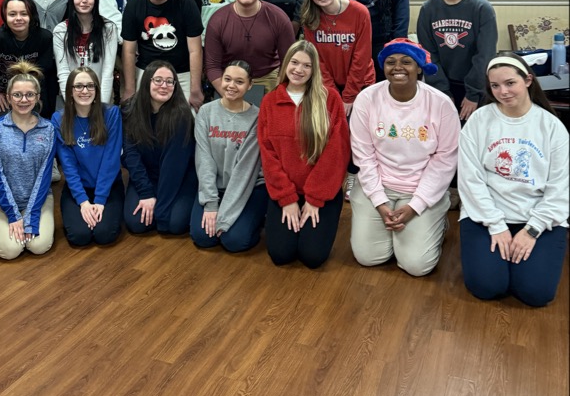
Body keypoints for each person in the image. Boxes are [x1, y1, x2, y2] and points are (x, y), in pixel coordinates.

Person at [458, 52, 569, 307]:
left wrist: (531, 230)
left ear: (528, 80)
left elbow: (560, 189)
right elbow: (470, 179)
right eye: (495, 86)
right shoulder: (479, 120)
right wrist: (496, 225)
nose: (503, 92)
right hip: (486, 214)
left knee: (536, 293)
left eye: (510, 83)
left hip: (538, 216)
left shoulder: (552, 127)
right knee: (486, 286)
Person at [349, 39, 460, 276]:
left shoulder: (441, 104)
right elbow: (364, 156)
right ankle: (395, 229)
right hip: (377, 186)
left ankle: (435, 222)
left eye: (406, 62)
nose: (397, 67)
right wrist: (379, 202)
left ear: (419, 68)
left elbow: (445, 160)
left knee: (416, 265)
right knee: (369, 257)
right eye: (390, 62)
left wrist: (415, 205)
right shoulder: (367, 99)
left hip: (420, 189)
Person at [257, 41, 350, 268]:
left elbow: (337, 151)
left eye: (306, 66)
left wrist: (315, 198)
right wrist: (287, 199)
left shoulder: (329, 99)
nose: (299, 70)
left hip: (321, 192)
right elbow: (267, 154)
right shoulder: (270, 101)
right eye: (294, 63)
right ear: (286, 64)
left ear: (314, 69)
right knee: (281, 254)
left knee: (312, 257)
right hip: (285, 191)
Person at [0, 60, 56, 260]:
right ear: (8, 97)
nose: (23, 100)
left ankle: (20, 221)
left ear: (38, 97)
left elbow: (44, 176)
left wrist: (31, 215)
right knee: (11, 251)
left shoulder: (48, 129)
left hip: (37, 200)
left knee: (38, 246)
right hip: (0, 202)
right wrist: (13, 216)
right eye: (17, 95)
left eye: (30, 94)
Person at [190, 61, 267, 252]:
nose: (231, 86)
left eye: (239, 82)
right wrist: (211, 204)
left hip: (248, 188)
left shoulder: (258, 118)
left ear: (250, 85)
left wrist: (224, 217)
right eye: (227, 79)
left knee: (235, 242)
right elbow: (204, 160)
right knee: (203, 238)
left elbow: (244, 171)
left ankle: (258, 220)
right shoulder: (206, 113)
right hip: (216, 187)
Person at [416, 0, 498, 122]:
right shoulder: (427, 10)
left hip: (476, 87)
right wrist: (443, 92)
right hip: (442, 86)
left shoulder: (482, 8)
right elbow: (428, 54)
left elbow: (485, 55)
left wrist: (473, 93)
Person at [122, 61, 198, 235]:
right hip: (147, 176)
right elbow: (131, 156)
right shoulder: (130, 110)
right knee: (136, 224)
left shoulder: (181, 115)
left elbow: (174, 166)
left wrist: (161, 211)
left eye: (170, 81)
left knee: (173, 224)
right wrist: (146, 194)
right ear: (147, 81)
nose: (164, 86)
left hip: (178, 179)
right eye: (158, 80)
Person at [121, 0, 203, 111]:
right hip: (146, 71)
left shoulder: (187, 4)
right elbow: (129, 51)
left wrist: (195, 89)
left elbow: (195, 50)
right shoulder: (134, 5)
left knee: (189, 119)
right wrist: (130, 89)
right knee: (139, 120)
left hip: (181, 72)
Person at [53, 67, 124, 247]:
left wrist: (100, 201)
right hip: (78, 189)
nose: (84, 91)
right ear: (69, 91)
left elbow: (111, 160)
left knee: (104, 234)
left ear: (96, 90)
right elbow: (68, 165)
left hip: (108, 187)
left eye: (90, 86)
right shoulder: (59, 119)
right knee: (79, 236)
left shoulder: (112, 114)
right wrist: (84, 202)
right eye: (78, 86)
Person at [205, 0, 295, 95]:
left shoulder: (278, 17)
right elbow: (212, 67)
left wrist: (277, 93)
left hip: (268, 78)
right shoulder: (218, 20)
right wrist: (228, 95)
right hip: (229, 82)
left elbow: (289, 61)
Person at [301, 0, 374, 117]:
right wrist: (332, 93)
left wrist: (349, 96)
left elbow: (361, 57)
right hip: (328, 85)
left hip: (361, 83)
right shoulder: (310, 19)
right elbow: (317, 61)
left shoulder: (360, 12)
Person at [0, 0, 57, 119]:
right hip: (2, 95)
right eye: (12, 14)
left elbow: (46, 72)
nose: (18, 18)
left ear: (31, 15)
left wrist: (40, 98)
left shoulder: (45, 38)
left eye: (24, 14)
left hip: (34, 94)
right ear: (5, 17)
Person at [53, 0, 117, 104]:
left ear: (96, 0)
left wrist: (101, 105)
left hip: (100, 96)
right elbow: (63, 72)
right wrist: (71, 103)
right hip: (70, 99)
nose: (84, 0)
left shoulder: (109, 28)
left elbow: (107, 71)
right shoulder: (60, 31)